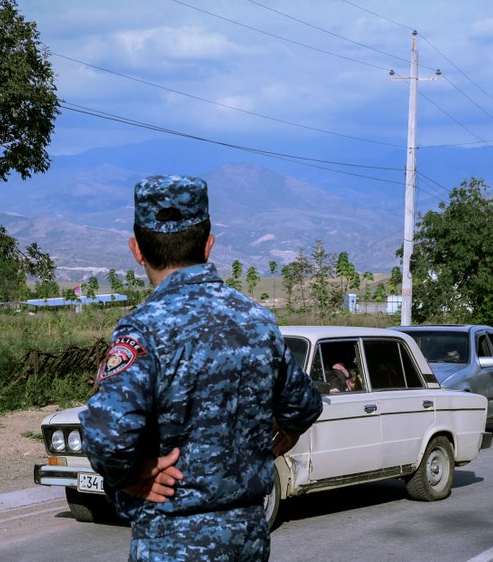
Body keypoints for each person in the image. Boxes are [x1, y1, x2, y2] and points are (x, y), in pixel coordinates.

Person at [78, 175, 323, 562]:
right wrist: (286, 433)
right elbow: (304, 404)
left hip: (173, 537)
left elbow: (107, 434)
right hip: (247, 536)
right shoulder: (257, 320)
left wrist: (134, 475)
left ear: (137, 249)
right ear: (209, 244)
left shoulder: (144, 328)